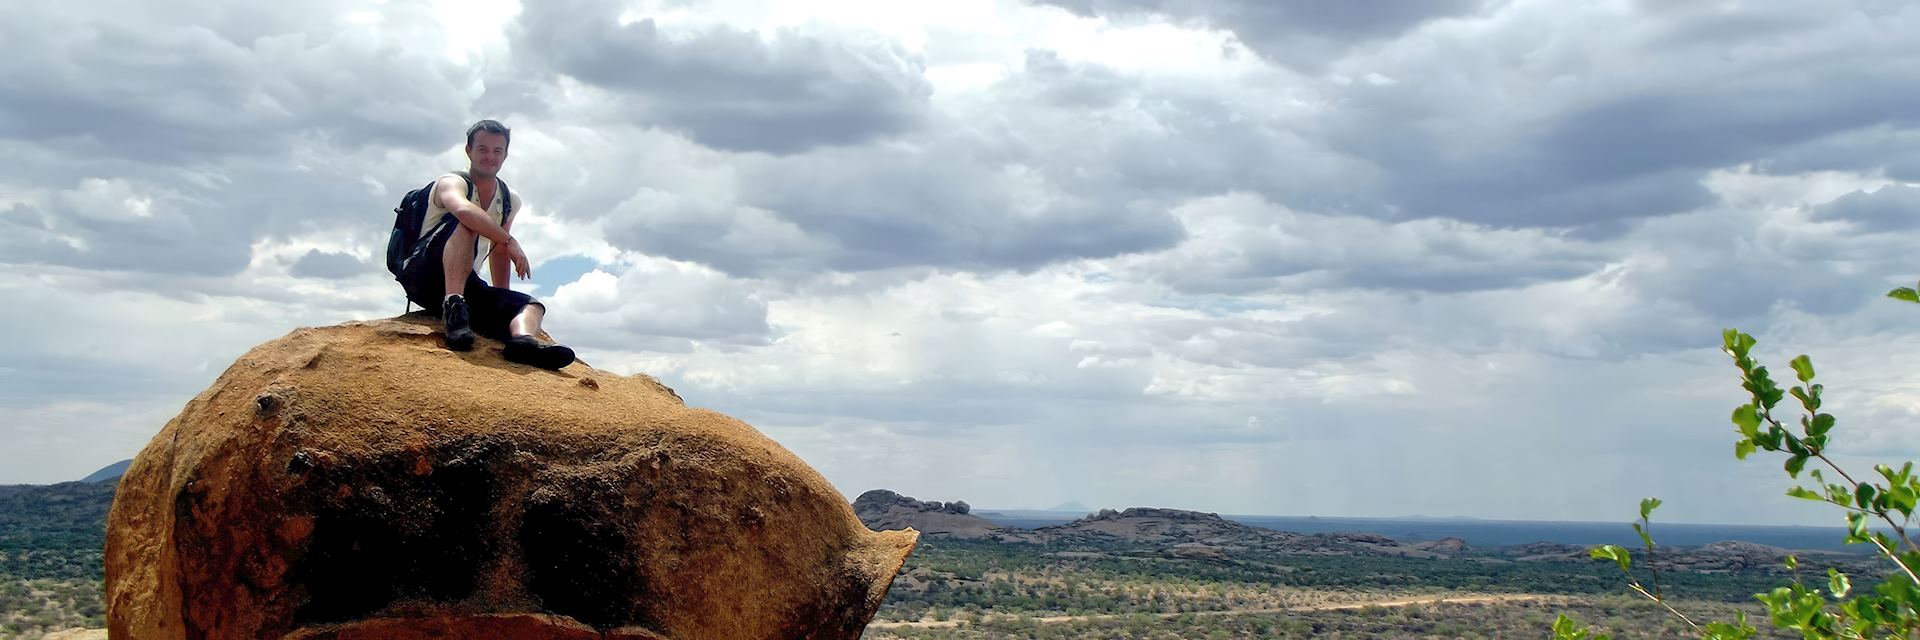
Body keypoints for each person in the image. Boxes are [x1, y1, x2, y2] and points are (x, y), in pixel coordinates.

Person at [396, 119, 575, 370]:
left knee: (531, 306)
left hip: (466, 278)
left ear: (505, 155)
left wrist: (503, 297)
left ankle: (523, 342)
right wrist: (509, 240)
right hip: (422, 273)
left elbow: (499, 251)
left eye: (497, 151)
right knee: (468, 222)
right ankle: (454, 308)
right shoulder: (452, 182)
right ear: (468, 150)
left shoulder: (509, 199)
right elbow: (463, 210)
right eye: (482, 149)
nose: (490, 156)